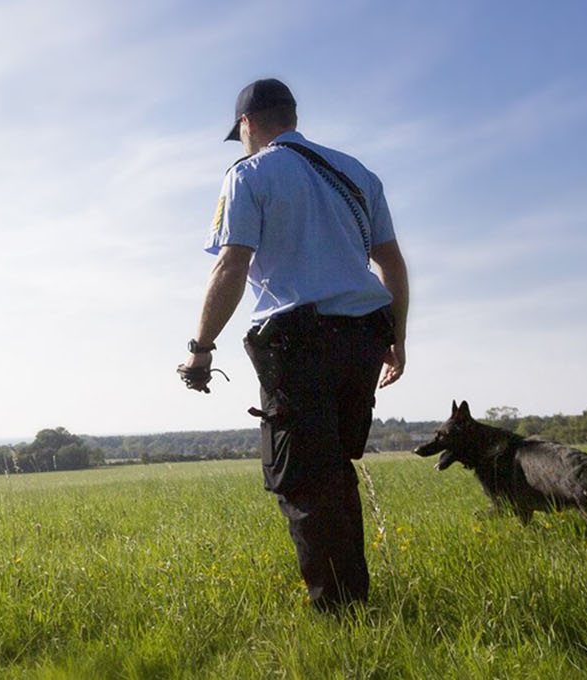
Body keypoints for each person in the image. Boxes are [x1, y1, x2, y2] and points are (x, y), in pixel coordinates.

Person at [179, 78, 409, 612]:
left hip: (298, 341)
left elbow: (232, 265)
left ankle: (339, 615)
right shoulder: (357, 173)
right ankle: (356, 601)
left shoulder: (249, 174)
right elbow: (390, 262)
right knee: (334, 468)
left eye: (238, 135)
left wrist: (201, 347)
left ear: (247, 124)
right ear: (293, 116)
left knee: (304, 479)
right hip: (364, 337)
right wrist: (396, 337)